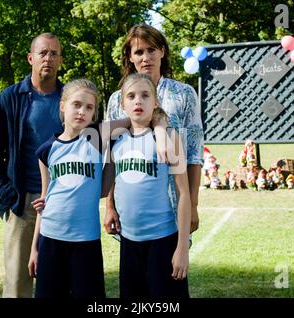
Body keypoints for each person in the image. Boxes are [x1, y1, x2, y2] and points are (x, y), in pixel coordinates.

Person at [27, 79, 169, 298]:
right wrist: (35, 248)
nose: (82, 111)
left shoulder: (97, 136)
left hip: (86, 240)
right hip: (50, 239)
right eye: (76, 104)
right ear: (62, 105)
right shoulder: (47, 150)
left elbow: (142, 116)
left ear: (94, 113)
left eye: (89, 107)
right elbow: (44, 202)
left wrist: (160, 130)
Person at [105, 24, 203, 237]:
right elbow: (111, 157)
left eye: (151, 50)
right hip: (132, 211)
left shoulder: (184, 94)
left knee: (173, 268)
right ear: (130, 57)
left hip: (174, 204)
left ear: (162, 51)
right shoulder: (117, 100)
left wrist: (193, 205)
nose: (146, 57)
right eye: (139, 52)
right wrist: (110, 206)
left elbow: (194, 154)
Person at [0, 32, 64, 298]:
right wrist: (7, 199)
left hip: (62, 203)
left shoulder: (70, 100)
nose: (48, 59)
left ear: (60, 60)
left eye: (54, 54)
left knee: (57, 284)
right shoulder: (10, 98)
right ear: (31, 58)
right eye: (43, 53)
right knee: (18, 286)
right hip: (23, 202)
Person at [110, 73, 191, 297]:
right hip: (128, 242)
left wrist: (182, 248)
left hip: (163, 241)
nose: (138, 101)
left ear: (155, 102)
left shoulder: (168, 138)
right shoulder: (116, 139)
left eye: (145, 95)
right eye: (131, 96)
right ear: (122, 103)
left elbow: (183, 194)